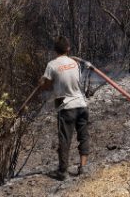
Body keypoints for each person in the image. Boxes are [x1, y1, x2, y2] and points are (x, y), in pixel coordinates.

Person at [39, 36, 90, 181]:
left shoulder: (52, 65)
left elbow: (46, 85)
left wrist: (41, 82)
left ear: (55, 50)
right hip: (81, 104)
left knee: (64, 139)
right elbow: (76, 81)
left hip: (66, 107)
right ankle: (83, 167)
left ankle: (63, 172)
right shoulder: (75, 63)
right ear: (68, 49)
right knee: (83, 136)